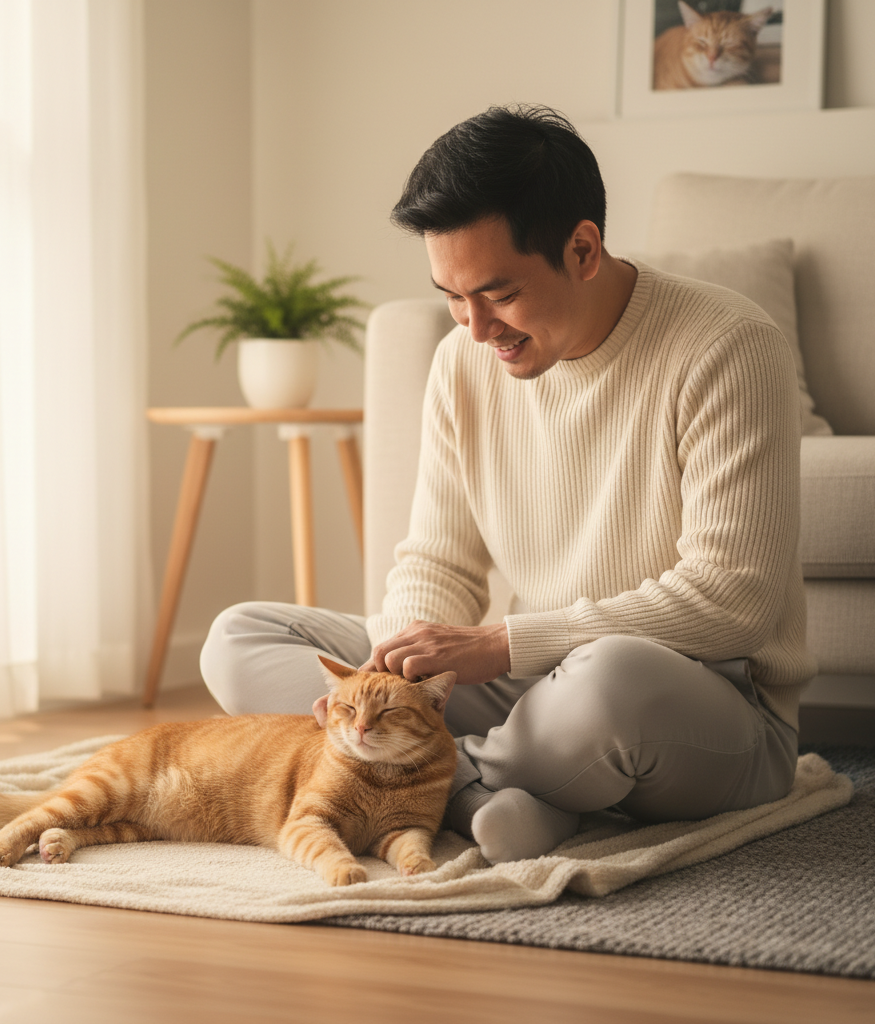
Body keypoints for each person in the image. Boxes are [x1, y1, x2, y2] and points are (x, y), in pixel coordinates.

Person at [200, 104, 814, 864]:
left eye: (498, 293)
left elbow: (734, 602)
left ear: (583, 248)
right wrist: (396, 678)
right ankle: (502, 797)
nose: (475, 327)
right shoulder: (464, 360)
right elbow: (437, 562)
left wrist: (503, 642)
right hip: (534, 689)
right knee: (238, 638)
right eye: (451, 296)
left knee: (610, 680)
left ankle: (439, 786)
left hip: (695, 705)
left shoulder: (728, 346)